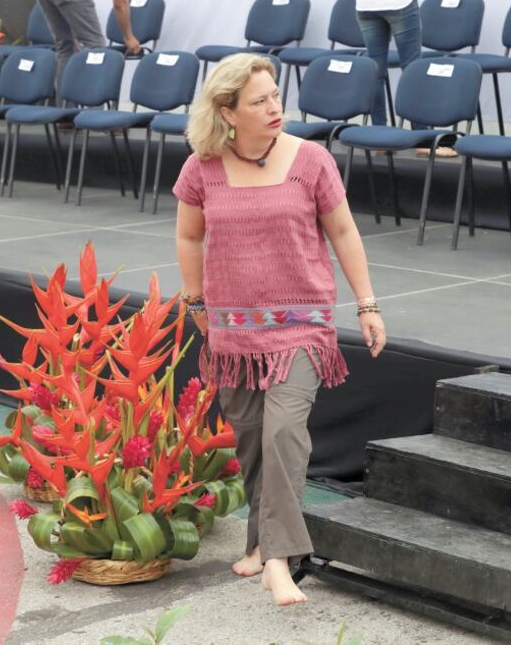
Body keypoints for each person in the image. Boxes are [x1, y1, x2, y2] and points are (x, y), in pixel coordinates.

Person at [174, 54, 386, 606]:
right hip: (232, 330)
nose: (275, 108)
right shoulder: (202, 166)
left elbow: (342, 230)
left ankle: (279, 558)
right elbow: (189, 236)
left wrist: (367, 304)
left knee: (284, 434)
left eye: (275, 96)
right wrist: (195, 298)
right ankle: (256, 541)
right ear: (227, 111)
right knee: (251, 439)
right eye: (259, 101)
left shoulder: (311, 160)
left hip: (302, 322)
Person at [29, 0, 142, 100]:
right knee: (96, 47)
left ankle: (65, 113)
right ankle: (93, 109)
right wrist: (128, 36)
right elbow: (120, 4)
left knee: (66, 47)